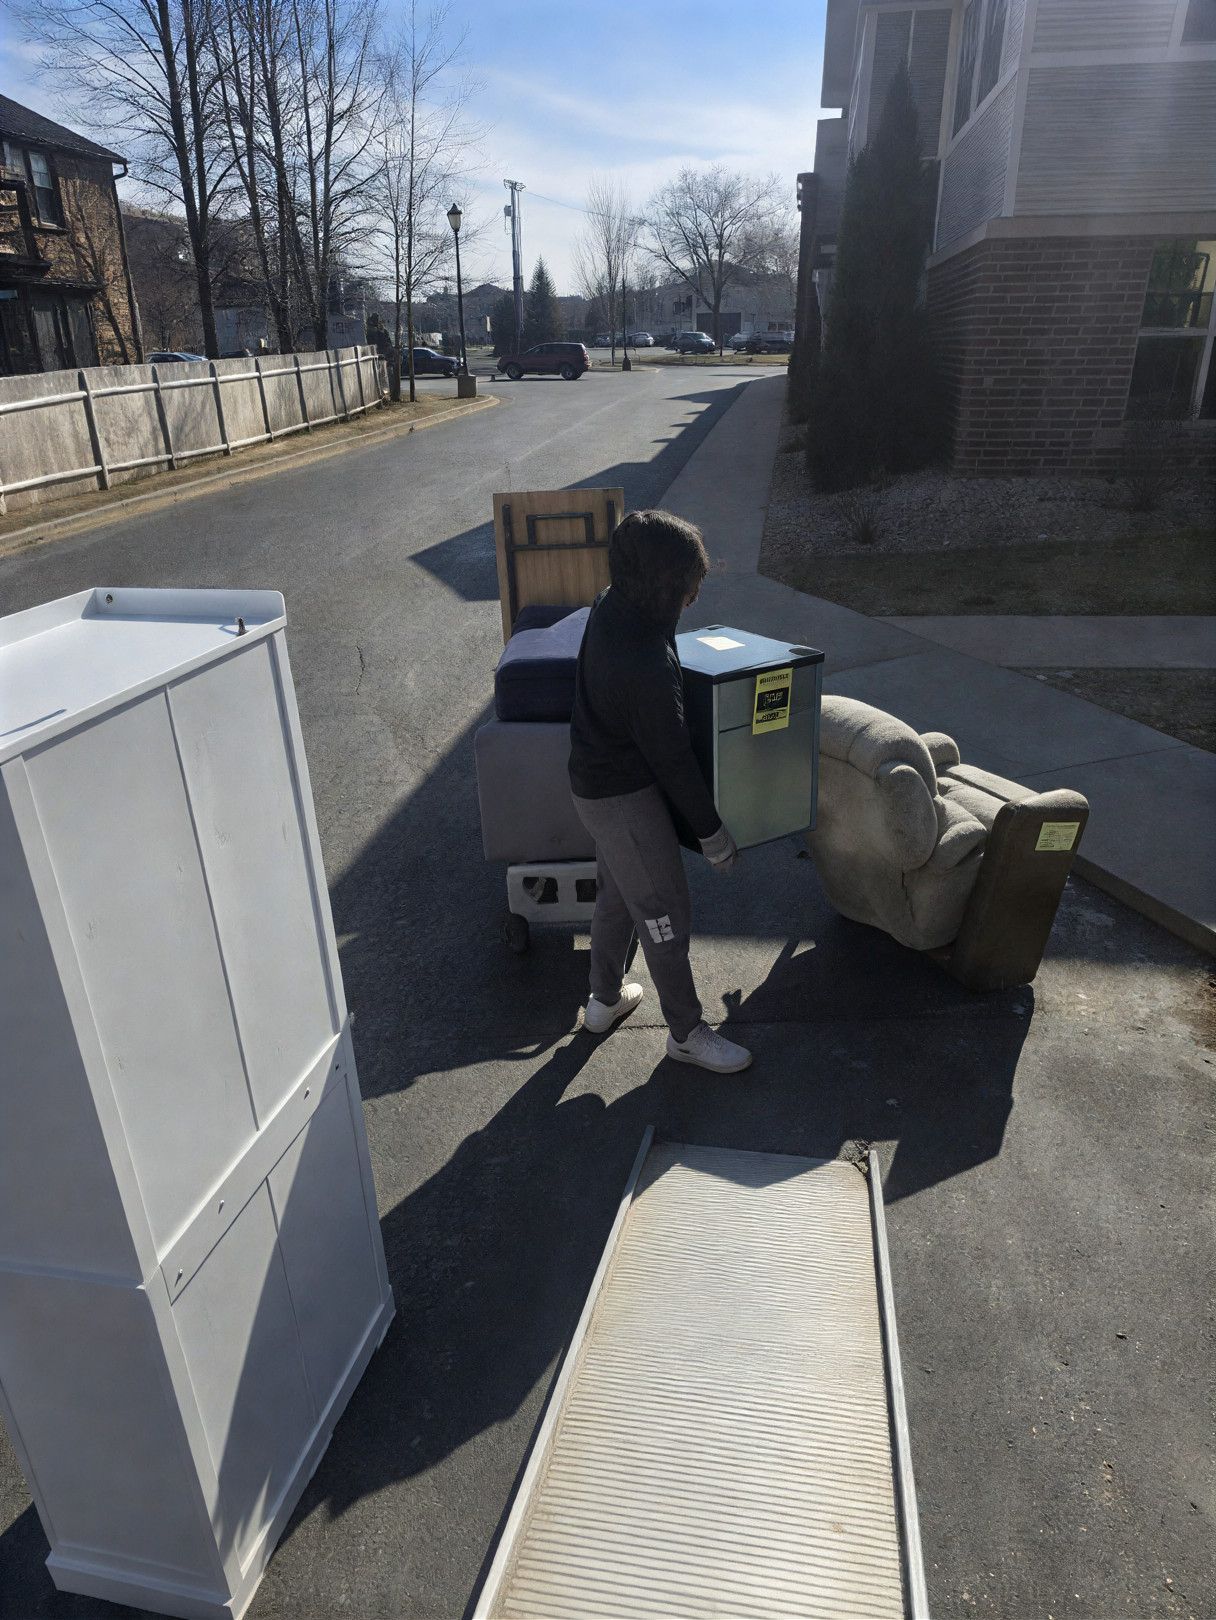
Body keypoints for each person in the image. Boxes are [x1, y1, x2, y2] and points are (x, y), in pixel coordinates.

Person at [568, 509, 752, 1074]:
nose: (694, 597)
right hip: (624, 796)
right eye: (688, 586)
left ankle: (604, 999)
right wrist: (713, 836)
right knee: (663, 911)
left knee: (620, 894)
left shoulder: (612, 603)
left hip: (591, 783)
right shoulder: (643, 661)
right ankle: (687, 1033)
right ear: (664, 586)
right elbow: (673, 760)